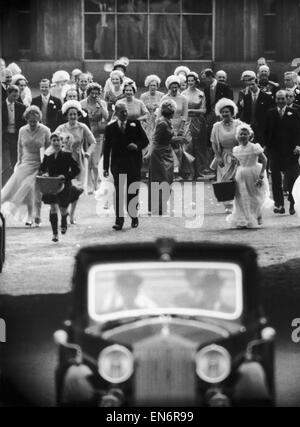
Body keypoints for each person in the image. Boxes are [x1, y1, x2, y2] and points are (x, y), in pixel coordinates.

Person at [1, 105, 50, 226]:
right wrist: (18, 163)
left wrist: (47, 167)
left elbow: (49, 149)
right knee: (19, 190)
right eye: (30, 120)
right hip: (25, 163)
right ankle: (29, 216)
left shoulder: (45, 130)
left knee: (34, 190)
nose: (33, 123)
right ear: (26, 119)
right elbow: (19, 148)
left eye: (35, 121)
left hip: (40, 164)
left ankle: (37, 216)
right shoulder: (22, 130)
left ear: (39, 119)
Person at [103, 103, 149, 231]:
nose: (124, 114)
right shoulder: (110, 128)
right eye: (122, 112)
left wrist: (137, 146)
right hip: (118, 165)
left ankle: (134, 216)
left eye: (126, 111)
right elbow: (106, 149)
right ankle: (119, 220)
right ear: (116, 113)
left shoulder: (135, 124)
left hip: (133, 163)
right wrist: (105, 167)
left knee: (132, 191)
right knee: (119, 192)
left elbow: (145, 141)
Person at [227, 123, 273, 229]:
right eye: (241, 134)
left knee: (256, 196)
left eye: (245, 134)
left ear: (250, 136)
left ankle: (257, 214)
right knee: (241, 197)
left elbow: (264, 159)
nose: (243, 136)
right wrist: (232, 175)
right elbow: (237, 164)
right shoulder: (236, 149)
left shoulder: (254, 147)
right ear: (237, 136)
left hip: (254, 172)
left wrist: (261, 174)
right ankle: (243, 219)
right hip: (241, 174)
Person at [39, 133, 80, 242]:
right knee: (53, 208)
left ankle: (63, 221)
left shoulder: (67, 155)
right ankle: (55, 234)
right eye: (54, 140)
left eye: (58, 140)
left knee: (63, 209)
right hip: (51, 185)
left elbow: (77, 170)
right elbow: (42, 169)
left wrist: (66, 176)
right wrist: (44, 174)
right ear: (51, 143)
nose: (56, 142)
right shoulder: (48, 156)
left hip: (64, 185)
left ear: (61, 143)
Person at [264, 90, 300, 215]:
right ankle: (279, 204)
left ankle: (292, 203)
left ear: (287, 99)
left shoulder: (294, 112)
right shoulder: (270, 113)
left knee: (292, 178)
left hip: (291, 151)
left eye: (283, 98)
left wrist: (298, 145)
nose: (280, 101)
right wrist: (265, 146)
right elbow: (266, 131)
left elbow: (298, 130)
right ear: (275, 99)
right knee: (275, 178)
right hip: (274, 150)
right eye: (278, 99)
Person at [55, 100, 96, 200]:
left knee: (77, 183)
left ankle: (74, 201)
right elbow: (53, 139)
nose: (73, 116)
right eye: (70, 114)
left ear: (78, 115)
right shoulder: (61, 128)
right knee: (65, 181)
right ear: (66, 116)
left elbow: (93, 142)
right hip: (64, 157)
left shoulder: (82, 127)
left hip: (78, 157)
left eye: (74, 114)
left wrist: (88, 153)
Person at [211, 98, 242, 214]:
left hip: (238, 155)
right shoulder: (216, 126)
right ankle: (228, 204)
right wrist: (218, 157)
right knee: (224, 179)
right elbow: (213, 143)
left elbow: (246, 137)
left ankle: (239, 202)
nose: (224, 114)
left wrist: (239, 154)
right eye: (222, 112)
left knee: (238, 179)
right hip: (224, 156)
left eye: (227, 112)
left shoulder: (239, 124)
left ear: (232, 112)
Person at [148, 99, 177, 215]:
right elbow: (155, 139)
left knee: (168, 178)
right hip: (158, 154)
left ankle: (162, 205)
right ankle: (157, 206)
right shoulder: (162, 123)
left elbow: (168, 137)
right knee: (160, 179)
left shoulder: (168, 122)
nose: (170, 112)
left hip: (168, 152)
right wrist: (149, 153)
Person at [159, 75, 190, 179]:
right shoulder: (164, 98)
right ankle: (168, 171)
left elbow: (185, 115)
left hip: (179, 125)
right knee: (167, 148)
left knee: (178, 149)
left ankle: (178, 172)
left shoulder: (183, 98)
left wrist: (181, 128)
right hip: (167, 124)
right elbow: (160, 113)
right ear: (169, 87)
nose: (174, 88)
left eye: (176, 86)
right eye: (172, 86)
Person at [182, 71, 212, 179]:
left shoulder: (201, 93)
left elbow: (204, 110)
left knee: (199, 147)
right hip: (186, 121)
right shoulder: (183, 94)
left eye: (192, 80)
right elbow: (182, 110)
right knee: (188, 146)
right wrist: (190, 112)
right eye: (188, 81)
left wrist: (190, 110)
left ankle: (198, 172)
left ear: (196, 81)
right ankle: (188, 172)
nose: (190, 82)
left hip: (199, 122)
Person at [81, 83, 109, 192]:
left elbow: (106, 117)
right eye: (92, 93)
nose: (94, 95)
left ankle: (96, 182)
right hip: (85, 135)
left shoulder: (102, 103)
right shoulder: (82, 103)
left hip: (98, 135)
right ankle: (89, 184)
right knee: (87, 161)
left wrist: (100, 105)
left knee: (95, 162)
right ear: (88, 93)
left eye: (96, 94)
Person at [2, 85, 26, 186]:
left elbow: (24, 124)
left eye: (17, 96)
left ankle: (14, 185)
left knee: (16, 162)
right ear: (8, 94)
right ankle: (4, 185)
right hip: (4, 138)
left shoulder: (21, 107)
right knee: (7, 165)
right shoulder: (1, 106)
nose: (15, 99)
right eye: (13, 96)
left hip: (16, 138)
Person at [240, 76, 275, 146]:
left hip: (262, 127)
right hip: (249, 126)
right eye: (249, 85)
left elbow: (270, 113)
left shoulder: (266, 97)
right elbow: (245, 112)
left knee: (261, 146)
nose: (251, 86)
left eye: (253, 84)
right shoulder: (246, 97)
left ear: (257, 84)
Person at [140, 74, 164, 142]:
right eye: (151, 85)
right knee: (148, 138)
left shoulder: (161, 95)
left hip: (158, 119)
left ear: (157, 86)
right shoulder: (143, 96)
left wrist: (158, 106)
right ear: (148, 86)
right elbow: (141, 110)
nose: (153, 87)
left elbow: (164, 108)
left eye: (154, 85)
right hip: (147, 120)